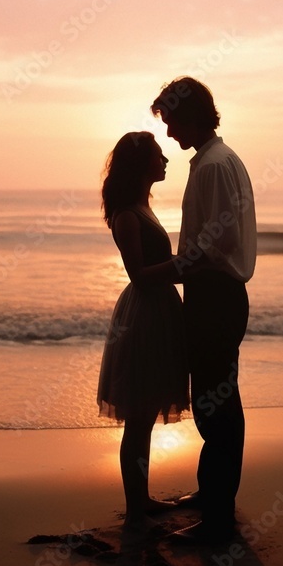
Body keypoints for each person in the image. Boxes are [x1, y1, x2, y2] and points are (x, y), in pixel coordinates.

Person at [151, 77, 257, 543]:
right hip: (213, 294)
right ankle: (211, 494)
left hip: (214, 294)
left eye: (172, 121)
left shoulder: (214, 167)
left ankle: (218, 514)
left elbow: (215, 247)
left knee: (218, 405)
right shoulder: (216, 161)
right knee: (216, 400)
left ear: (191, 115)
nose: (169, 133)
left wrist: (161, 272)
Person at [97, 131, 189, 523]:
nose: (165, 160)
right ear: (140, 164)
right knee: (138, 417)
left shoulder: (141, 208)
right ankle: (137, 504)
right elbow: (138, 274)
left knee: (145, 415)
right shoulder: (127, 216)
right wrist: (187, 265)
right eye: (158, 155)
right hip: (145, 317)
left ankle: (141, 499)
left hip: (157, 311)